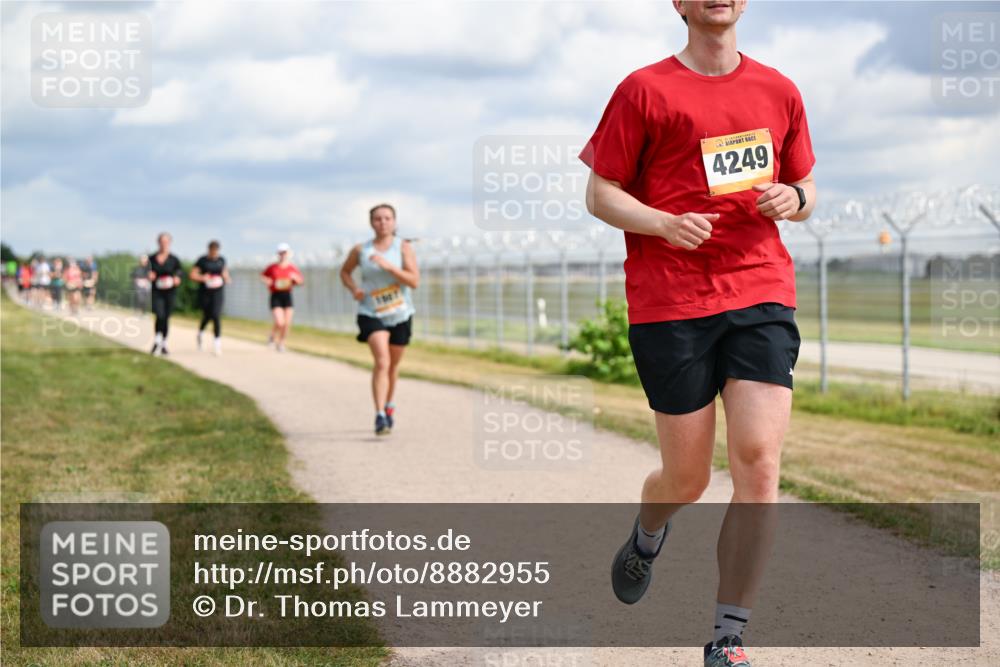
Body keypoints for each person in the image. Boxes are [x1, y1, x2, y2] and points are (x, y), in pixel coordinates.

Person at [580, 2, 817, 665]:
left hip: (759, 289)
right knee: (687, 478)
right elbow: (600, 193)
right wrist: (663, 223)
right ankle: (648, 532)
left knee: (759, 463)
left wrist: (795, 199)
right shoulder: (644, 90)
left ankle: (728, 636)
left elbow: (805, 184)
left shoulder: (778, 89)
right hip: (671, 301)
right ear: (678, 4)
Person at [339, 203, 419, 436]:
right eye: (377, 219)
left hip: (400, 312)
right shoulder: (360, 250)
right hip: (371, 312)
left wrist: (389, 267)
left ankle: (389, 404)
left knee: (392, 365)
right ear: (371, 222)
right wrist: (354, 288)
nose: (382, 222)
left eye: (387, 218)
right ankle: (380, 415)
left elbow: (414, 281)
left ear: (394, 222)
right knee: (382, 362)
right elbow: (344, 272)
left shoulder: (403, 247)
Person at [190, 240, 231, 356]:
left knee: (216, 315)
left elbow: (225, 273)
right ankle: (200, 333)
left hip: (218, 292)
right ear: (209, 250)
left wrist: (227, 278)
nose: (214, 253)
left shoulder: (221, 260)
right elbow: (192, 275)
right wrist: (202, 278)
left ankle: (217, 344)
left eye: (216, 251)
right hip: (205, 293)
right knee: (207, 316)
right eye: (212, 251)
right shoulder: (202, 261)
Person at [260, 243, 303, 352]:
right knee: (280, 322)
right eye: (281, 253)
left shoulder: (292, 268)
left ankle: (281, 343)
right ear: (278, 254)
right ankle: (272, 336)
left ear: (288, 253)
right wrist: (267, 281)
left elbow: (300, 281)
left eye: (284, 252)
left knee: (287, 323)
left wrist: (295, 279)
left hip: (287, 295)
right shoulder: (272, 267)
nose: (283, 255)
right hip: (276, 295)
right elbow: (263, 276)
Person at [147, 233, 183, 356]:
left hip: (170, 292)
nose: (164, 244)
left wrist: (177, 278)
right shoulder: (151, 258)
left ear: (170, 243)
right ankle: (157, 340)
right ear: (158, 242)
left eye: (166, 242)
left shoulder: (174, 259)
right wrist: (149, 275)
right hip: (157, 291)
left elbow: (179, 272)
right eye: (162, 241)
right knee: (159, 315)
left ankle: (164, 344)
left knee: (166, 317)